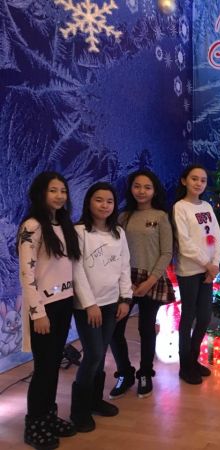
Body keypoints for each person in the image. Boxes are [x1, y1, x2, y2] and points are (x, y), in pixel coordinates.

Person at [18, 171, 81, 449]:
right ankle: (34, 424)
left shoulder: (64, 225)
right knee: (43, 368)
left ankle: (48, 415)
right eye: (53, 190)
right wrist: (38, 312)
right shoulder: (32, 226)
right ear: (40, 193)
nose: (59, 196)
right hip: (44, 308)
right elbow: (27, 274)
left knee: (54, 365)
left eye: (63, 191)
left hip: (64, 303)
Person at [71, 182, 133, 432]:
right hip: (88, 307)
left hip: (111, 304)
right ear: (89, 202)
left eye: (109, 201)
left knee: (101, 352)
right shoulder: (79, 231)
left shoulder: (118, 232)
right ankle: (79, 411)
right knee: (93, 354)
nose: (104, 205)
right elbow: (76, 270)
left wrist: (125, 299)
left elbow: (124, 266)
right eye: (99, 200)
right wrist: (90, 304)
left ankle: (95, 401)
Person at [109, 169, 174, 399]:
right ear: (131, 189)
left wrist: (150, 281)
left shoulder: (161, 216)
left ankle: (145, 373)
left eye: (147, 187)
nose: (141, 191)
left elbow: (167, 253)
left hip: (151, 279)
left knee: (146, 328)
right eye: (137, 186)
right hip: (125, 280)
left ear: (154, 190)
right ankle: (124, 373)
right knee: (114, 329)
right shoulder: (122, 217)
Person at [172, 165, 220, 385]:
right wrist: (207, 264)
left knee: (204, 317)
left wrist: (215, 264)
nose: (199, 183)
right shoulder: (180, 207)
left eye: (203, 180)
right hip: (190, 271)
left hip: (207, 270)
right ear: (184, 181)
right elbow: (185, 244)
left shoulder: (207, 206)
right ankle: (185, 365)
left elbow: (217, 236)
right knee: (188, 317)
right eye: (194, 179)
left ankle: (193, 359)